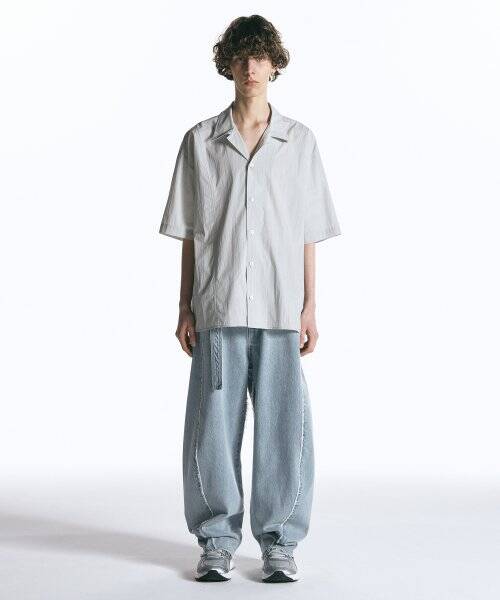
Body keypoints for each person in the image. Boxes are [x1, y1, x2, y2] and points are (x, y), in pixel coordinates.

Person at [158, 15, 341, 583]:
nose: (250, 67)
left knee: (284, 428)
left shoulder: (300, 142)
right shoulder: (200, 142)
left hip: (281, 308)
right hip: (217, 305)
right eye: (241, 56)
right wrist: (185, 306)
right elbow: (190, 233)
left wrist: (310, 306)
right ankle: (216, 539)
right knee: (212, 427)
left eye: (260, 56)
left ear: (274, 64)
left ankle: (280, 541)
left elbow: (308, 232)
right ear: (228, 65)